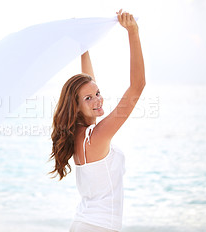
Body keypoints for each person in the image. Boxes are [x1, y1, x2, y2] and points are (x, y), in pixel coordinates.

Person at [49, 9, 145, 232]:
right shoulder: (97, 136)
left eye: (98, 93)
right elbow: (137, 86)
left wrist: (83, 45)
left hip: (83, 223)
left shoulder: (77, 135)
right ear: (77, 105)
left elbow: (88, 84)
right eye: (89, 98)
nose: (98, 100)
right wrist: (133, 32)